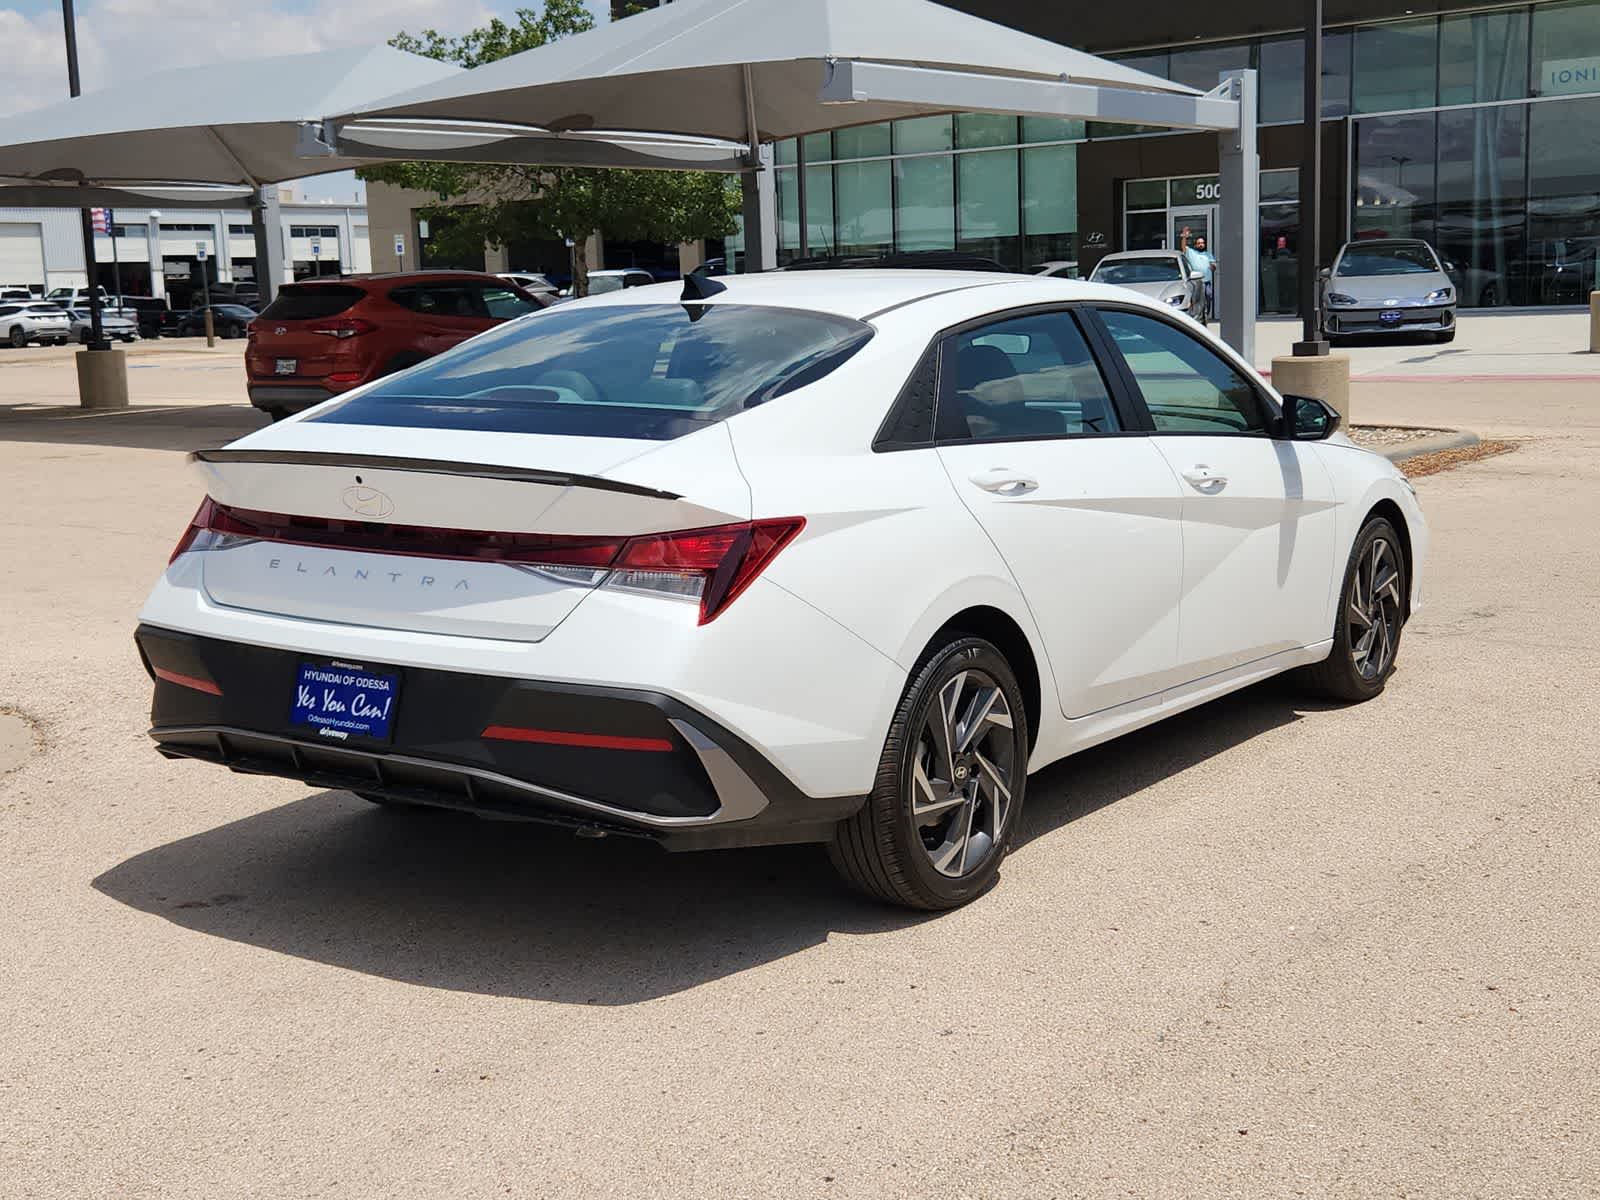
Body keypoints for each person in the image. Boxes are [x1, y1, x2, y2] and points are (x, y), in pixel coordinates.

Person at [1179, 226, 1217, 321]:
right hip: (1196, 282)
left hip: (1207, 282)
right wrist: (1184, 237)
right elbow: (1183, 247)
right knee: (1196, 301)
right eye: (1199, 243)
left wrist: (1213, 266)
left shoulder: (1208, 254)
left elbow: (1214, 265)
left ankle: (1206, 316)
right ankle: (1195, 318)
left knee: (1208, 298)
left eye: (1202, 243)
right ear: (1196, 245)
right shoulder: (1191, 253)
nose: (1201, 244)